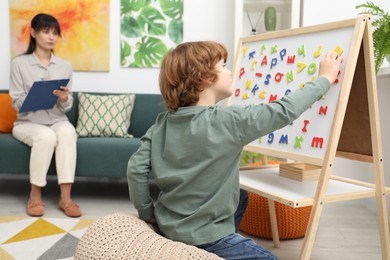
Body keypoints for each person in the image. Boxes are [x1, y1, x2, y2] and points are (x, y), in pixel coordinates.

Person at [127, 41, 342, 259]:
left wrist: (147, 213)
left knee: (241, 195)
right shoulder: (230, 121)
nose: (230, 71)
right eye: (223, 66)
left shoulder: (161, 123)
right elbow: (283, 111)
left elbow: (135, 169)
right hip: (210, 240)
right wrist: (324, 79)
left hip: (168, 227)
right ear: (204, 77)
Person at [9, 13, 81, 218]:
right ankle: (34, 195)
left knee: (67, 131)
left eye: (55, 33)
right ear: (33, 33)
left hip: (57, 119)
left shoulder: (64, 66)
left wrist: (65, 98)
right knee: (46, 136)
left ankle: (65, 198)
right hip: (27, 123)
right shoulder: (19, 64)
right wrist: (36, 96)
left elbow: (67, 107)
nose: (51, 37)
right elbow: (16, 103)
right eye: (46, 31)